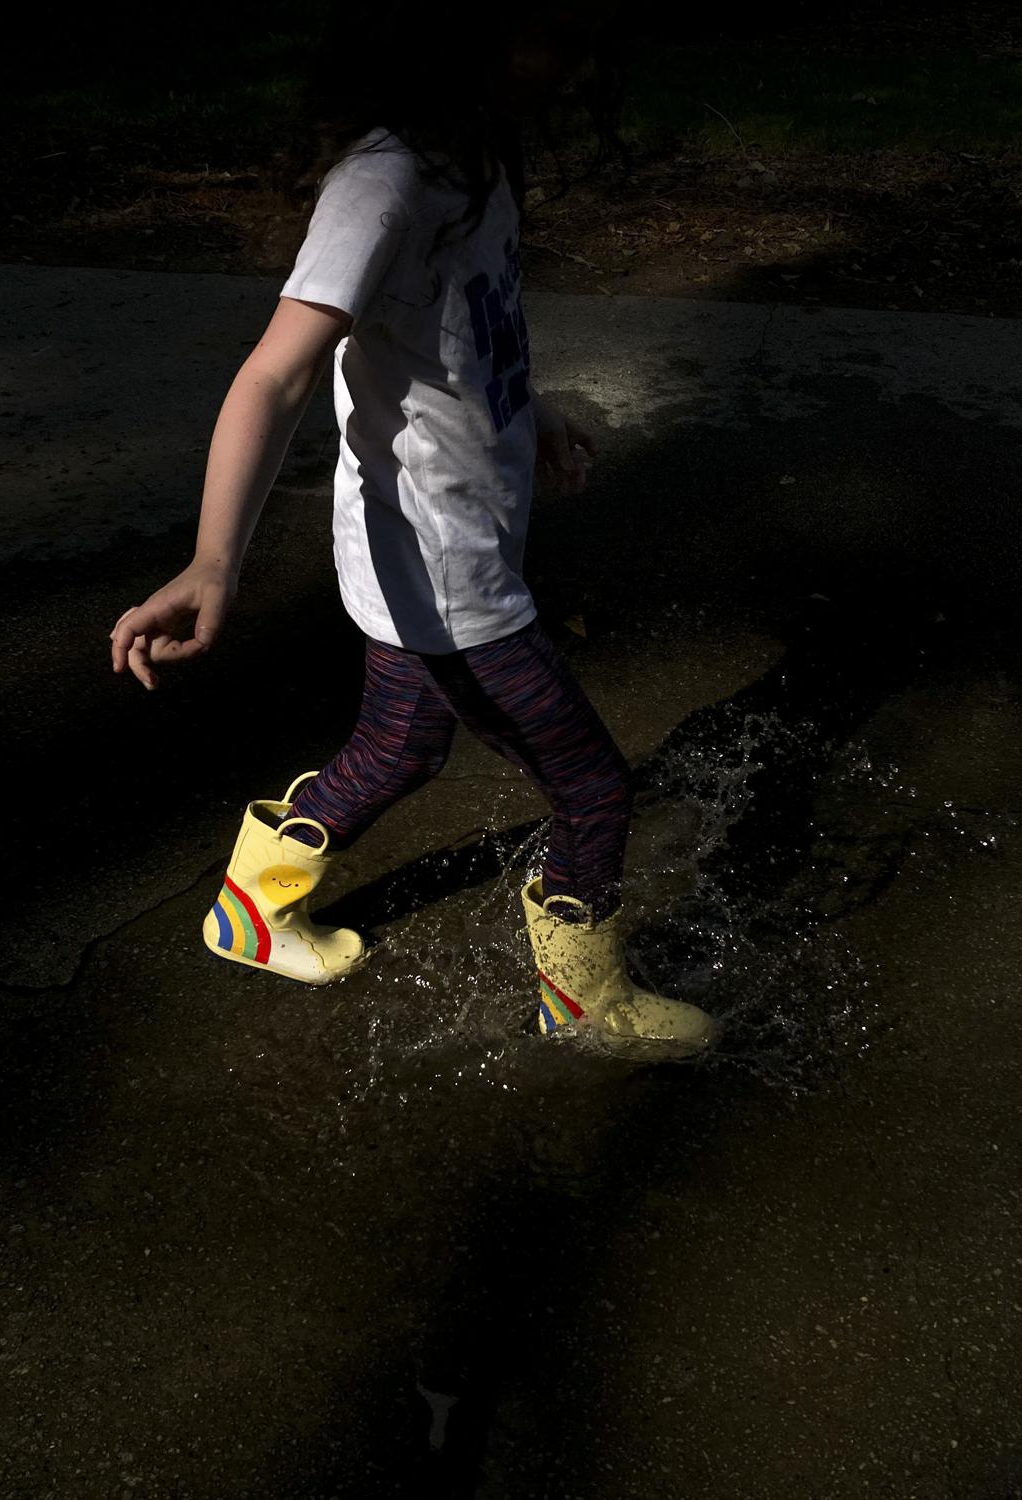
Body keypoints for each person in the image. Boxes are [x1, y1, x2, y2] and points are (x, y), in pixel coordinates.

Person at [106, 5, 715, 1058]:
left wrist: (533, 407)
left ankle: (248, 912)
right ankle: (585, 1005)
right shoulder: (382, 183)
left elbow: (456, 338)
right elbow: (276, 371)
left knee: (399, 745)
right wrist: (215, 560)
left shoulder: (472, 147)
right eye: (550, 30)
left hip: (436, 545)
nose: (574, 58)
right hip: (441, 570)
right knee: (591, 788)